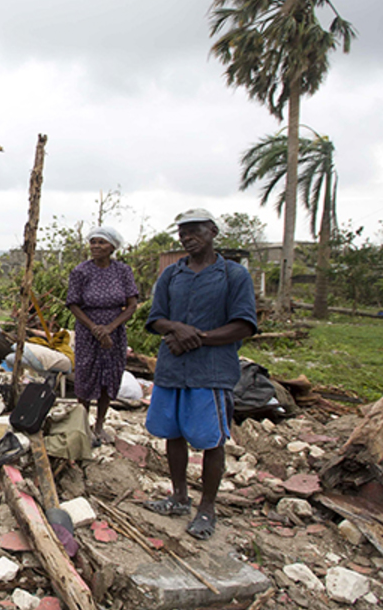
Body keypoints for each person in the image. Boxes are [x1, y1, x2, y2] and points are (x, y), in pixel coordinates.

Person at [142, 209, 257, 540]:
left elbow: (244, 324)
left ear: (213, 232)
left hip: (211, 370)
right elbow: (156, 319)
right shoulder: (171, 276)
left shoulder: (233, 275)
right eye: (182, 233)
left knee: (211, 440)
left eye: (195, 231)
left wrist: (198, 338)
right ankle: (179, 496)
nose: (187, 238)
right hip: (172, 368)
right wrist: (176, 328)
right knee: (172, 433)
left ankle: (207, 508)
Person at [66, 225, 139, 447]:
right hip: (88, 331)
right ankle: (83, 424)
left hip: (114, 332)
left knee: (110, 376)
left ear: (112, 247)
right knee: (86, 375)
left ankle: (100, 424)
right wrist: (95, 328)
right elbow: (73, 303)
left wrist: (110, 328)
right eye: (93, 242)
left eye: (101, 242)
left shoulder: (122, 271)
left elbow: (132, 304)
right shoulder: (81, 271)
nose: (96, 246)